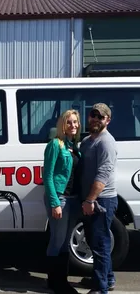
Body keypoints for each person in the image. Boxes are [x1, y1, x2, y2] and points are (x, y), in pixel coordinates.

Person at [79, 103, 118, 294]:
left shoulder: (106, 142)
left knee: (101, 245)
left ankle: (100, 288)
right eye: (93, 115)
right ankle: (107, 278)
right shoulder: (87, 141)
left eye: (100, 117)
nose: (95, 119)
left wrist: (90, 200)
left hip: (101, 200)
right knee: (95, 242)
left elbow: (103, 173)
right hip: (91, 199)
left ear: (107, 120)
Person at [43, 109, 82, 294]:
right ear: (62, 125)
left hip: (73, 199)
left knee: (66, 241)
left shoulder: (73, 146)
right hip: (61, 198)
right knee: (57, 241)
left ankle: (60, 281)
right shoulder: (55, 144)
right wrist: (54, 202)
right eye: (69, 122)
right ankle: (55, 282)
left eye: (75, 122)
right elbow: (48, 176)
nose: (73, 125)